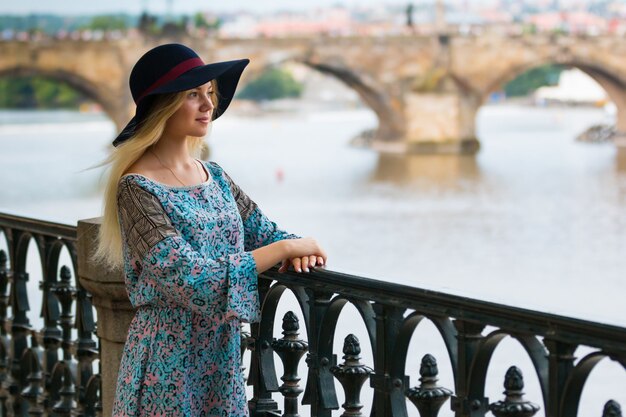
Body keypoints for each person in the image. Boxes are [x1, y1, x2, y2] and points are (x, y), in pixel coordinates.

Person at [93, 43, 328, 416]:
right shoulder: (136, 189)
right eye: (192, 94)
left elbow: (265, 232)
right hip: (166, 364)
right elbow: (190, 279)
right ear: (163, 105)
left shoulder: (214, 176)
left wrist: (299, 246)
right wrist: (284, 250)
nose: (208, 105)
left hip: (221, 360)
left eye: (209, 93)